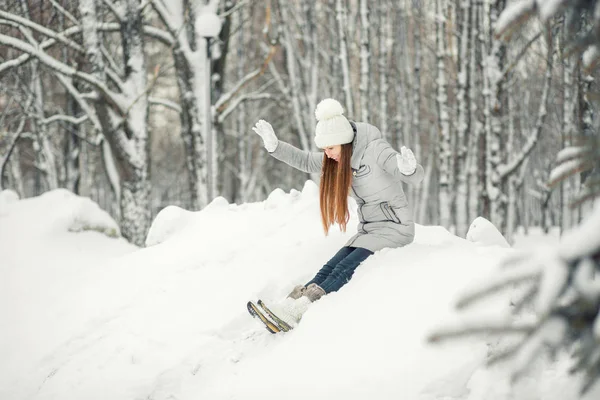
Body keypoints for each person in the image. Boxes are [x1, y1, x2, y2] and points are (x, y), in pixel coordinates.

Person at [251, 98, 424, 330]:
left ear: (343, 142)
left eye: (330, 148)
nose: (327, 154)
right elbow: (305, 160)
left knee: (344, 269)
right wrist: (275, 146)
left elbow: (406, 171)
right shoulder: (338, 159)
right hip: (369, 230)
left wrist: (408, 169)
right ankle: (289, 306)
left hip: (395, 228)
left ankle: (300, 311)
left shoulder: (375, 149)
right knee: (329, 267)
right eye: (324, 149)